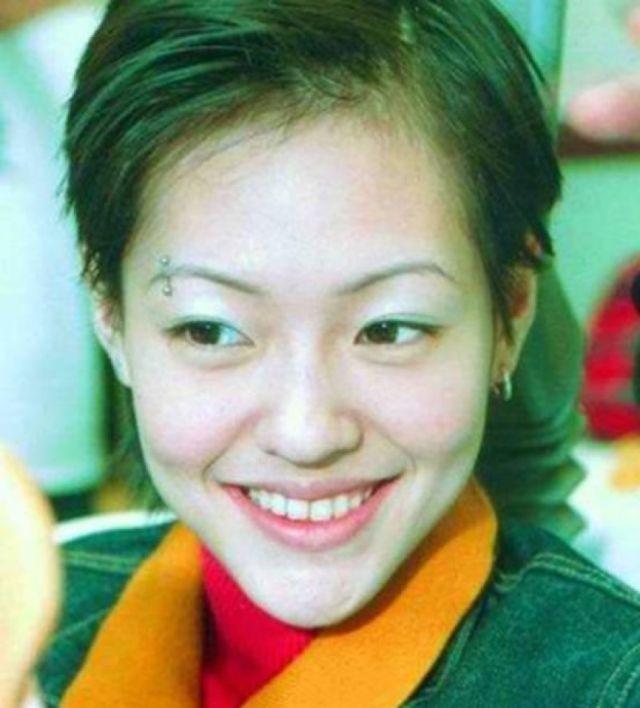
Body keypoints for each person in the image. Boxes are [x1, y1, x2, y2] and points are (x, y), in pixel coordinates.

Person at [36, 0, 640, 705]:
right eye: (211, 331)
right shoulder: (32, 620)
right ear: (111, 318)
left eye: (388, 330)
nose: (306, 433)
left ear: (509, 315)